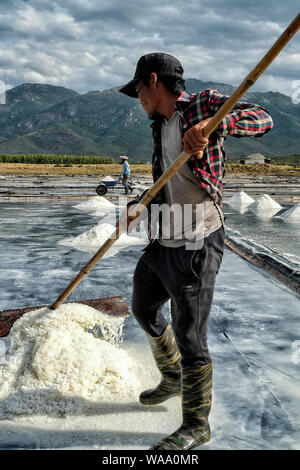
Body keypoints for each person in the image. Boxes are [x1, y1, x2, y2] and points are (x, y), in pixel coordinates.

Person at [119, 52, 273, 450]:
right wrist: (140, 203)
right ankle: (172, 377)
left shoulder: (201, 104)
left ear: (153, 81)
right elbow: (166, 181)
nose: (137, 97)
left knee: (191, 336)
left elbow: (262, 118)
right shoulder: (161, 126)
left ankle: (196, 425)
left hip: (197, 239)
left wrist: (214, 125)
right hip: (164, 238)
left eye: (138, 89)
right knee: (143, 306)